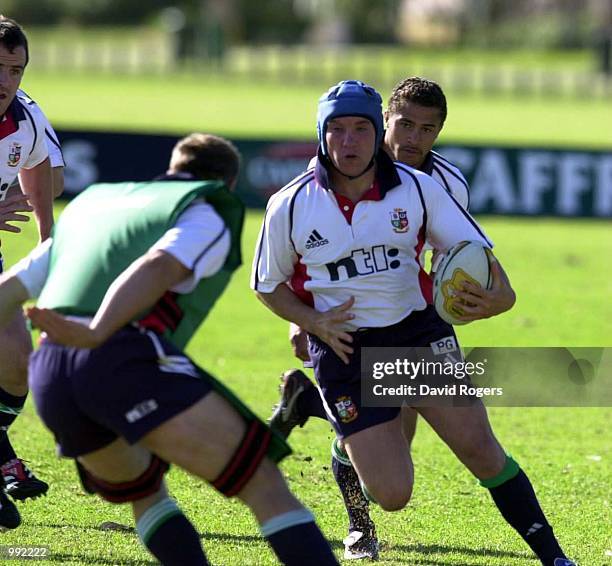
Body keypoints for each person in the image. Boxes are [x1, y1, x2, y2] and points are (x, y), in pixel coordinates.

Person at [251, 80, 575, 566]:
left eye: (360, 128)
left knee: (480, 449)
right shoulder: (296, 201)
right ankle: (353, 498)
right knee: (392, 489)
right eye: (337, 129)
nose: (349, 140)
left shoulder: (432, 187)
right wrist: (307, 321)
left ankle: (556, 557)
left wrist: (498, 297)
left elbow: (472, 257)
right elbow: (272, 279)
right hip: (344, 346)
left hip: (418, 330)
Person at [0, 133, 339, 565]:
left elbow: (10, 289)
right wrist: (99, 329)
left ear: (171, 169)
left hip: (51, 374)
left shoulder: (96, 206)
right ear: (225, 184)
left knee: (146, 494)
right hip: (118, 356)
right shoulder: (206, 207)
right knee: (263, 484)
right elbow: (159, 265)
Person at [271, 76, 473, 559]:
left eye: (428, 129)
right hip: (344, 326)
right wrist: (303, 322)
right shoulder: (339, 167)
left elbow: (452, 257)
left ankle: (312, 403)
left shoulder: (445, 185)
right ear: (385, 121)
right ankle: (359, 527)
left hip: (413, 320)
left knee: (395, 438)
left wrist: (457, 300)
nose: (413, 138)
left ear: (439, 132)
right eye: (404, 124)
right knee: (373, 430)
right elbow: (307, 255)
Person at [0, 15, 56, 529]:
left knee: (17, 363)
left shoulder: (25, 118)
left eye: (14, 70)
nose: (4, 81)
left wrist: (46, 240)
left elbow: (39, 167)